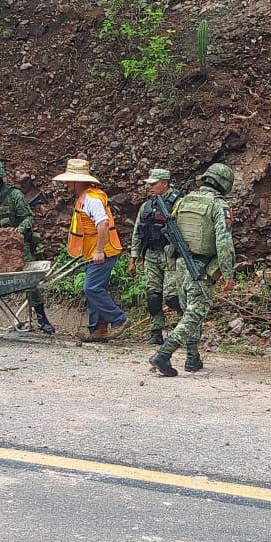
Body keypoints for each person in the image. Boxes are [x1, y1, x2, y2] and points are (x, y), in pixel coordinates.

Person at [149, 163, 235, 378]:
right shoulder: (218, 205)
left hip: (180, 264)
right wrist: (228, 273)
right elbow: (224, 243)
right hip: (201, 267)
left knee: (188, 311)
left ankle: (192, 358)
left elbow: (170, 231)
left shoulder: (184, 201)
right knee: (196, 312)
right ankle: (164, 354)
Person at [0, 157, 54, 334]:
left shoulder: (14, 195)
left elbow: (28, 218)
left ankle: (41, 319)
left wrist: (18, 231)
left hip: (16, 248)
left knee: (31, 282)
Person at [53, 156, 128, 341]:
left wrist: (99, 250)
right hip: (93, 252)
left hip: (103, 252)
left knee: (91, 288)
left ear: (77, 181)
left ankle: (119, 319)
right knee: (96, 288)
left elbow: (102, 223)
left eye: (69, 181)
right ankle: (97, 330)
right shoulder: (83, 198)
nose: (66, 185)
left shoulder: (92, 199)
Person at [129, 167, 183, 346]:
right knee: (153, 296)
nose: (150, 187)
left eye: (154, 184)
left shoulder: (178, 203)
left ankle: (187, 327)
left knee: (172, 296)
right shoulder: (147, 206)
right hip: (151, 254)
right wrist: (134, 258)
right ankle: (156, 331)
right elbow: (138, 232)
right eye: (149, 184)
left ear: (165, 183)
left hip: (170, 254)